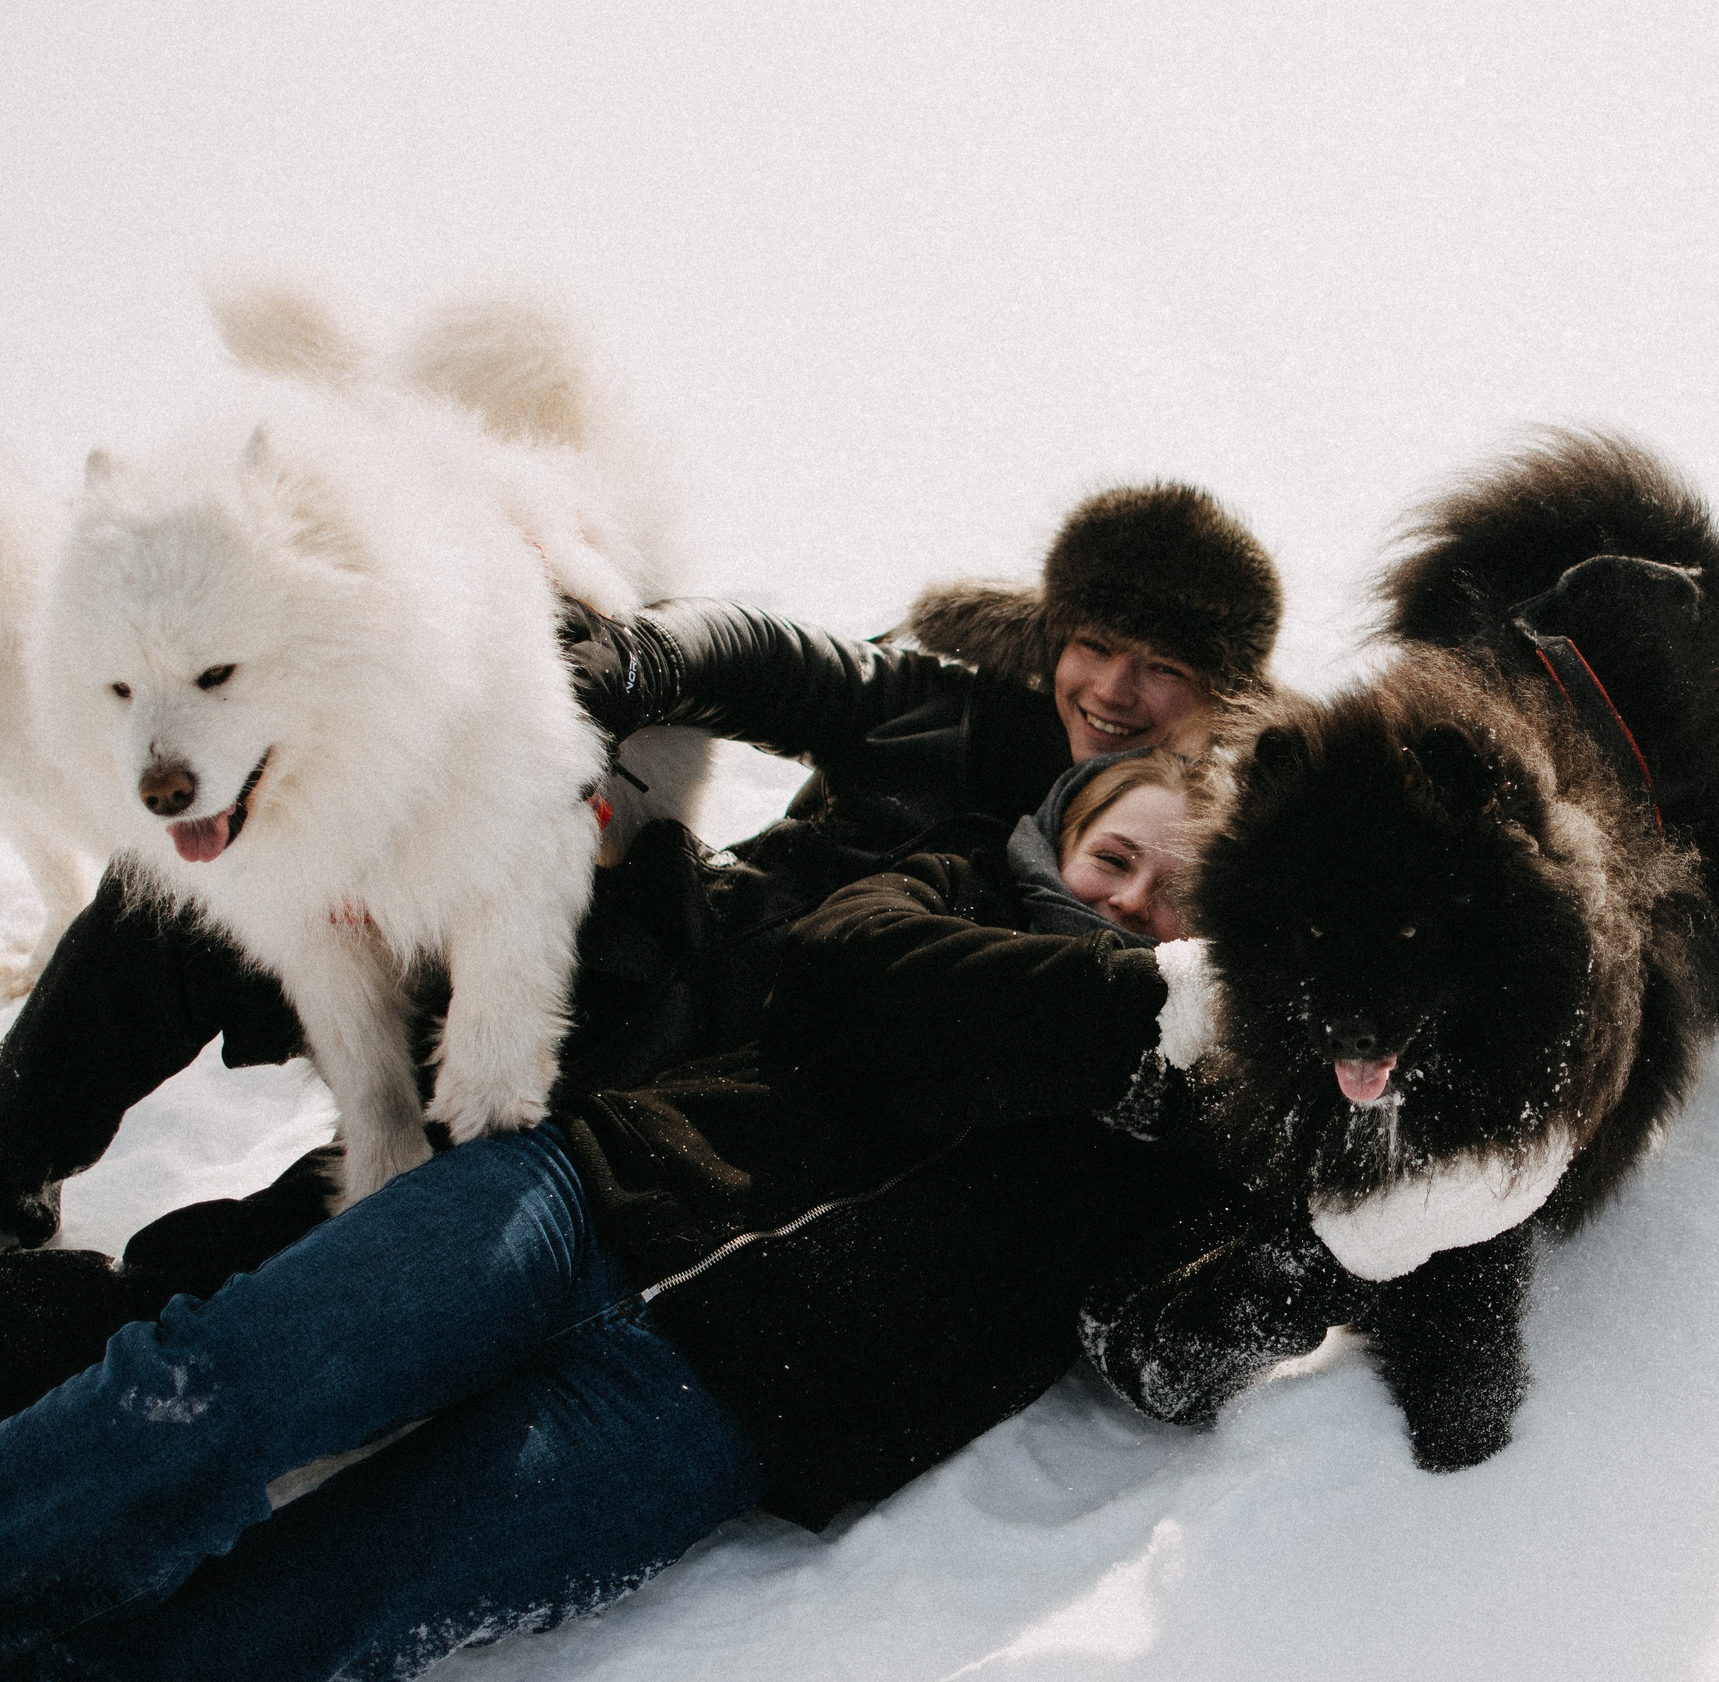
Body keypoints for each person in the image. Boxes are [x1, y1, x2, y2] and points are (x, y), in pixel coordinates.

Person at [0, 750, 1243, 1680]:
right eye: (1112, 857)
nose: (1130, 900)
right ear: (1060, 836)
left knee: (328, 1603)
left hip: (734, 1404)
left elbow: (1169, 1350)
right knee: (219, 1384)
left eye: (1174, 889)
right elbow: (843, 978)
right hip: (587, 1194)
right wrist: (1144, 1003)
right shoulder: (960, 885)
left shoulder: (1214, 1115)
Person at [0, 479, 1281, 1264]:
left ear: (1216, 697)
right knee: (200, 900)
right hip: (645, 926)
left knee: (325, 1249)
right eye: (1097, 643)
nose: (1114, 690)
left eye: (1159, 668)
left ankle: (89, 1347)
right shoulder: (950, 713)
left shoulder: (1182, 876)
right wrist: (603, 682)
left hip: (700, 1091)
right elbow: (762, 652)